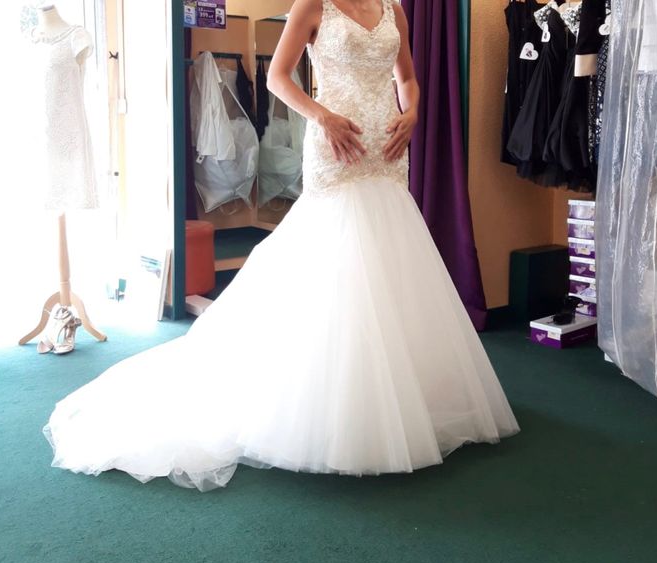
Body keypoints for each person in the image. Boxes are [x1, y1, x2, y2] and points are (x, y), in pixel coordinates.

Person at [44, 0, 520, 492]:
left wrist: (413, 112)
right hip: (335, 147)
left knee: (389, 259)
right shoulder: (313, 5)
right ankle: (332, 401)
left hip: (386, 148)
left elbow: (408, 78)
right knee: (335, 264)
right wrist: (323, 117)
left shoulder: (393, 9)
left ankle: (399, 391)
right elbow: (278, 77)